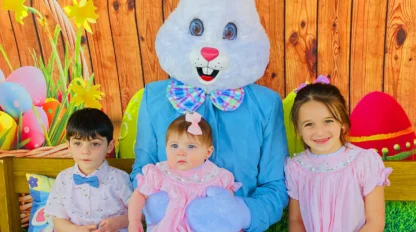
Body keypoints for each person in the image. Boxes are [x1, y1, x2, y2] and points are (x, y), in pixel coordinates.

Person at [285, 83, 392, 232]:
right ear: (298, 130)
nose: (319, 132)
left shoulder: (364, 162)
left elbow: (375, 222)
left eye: (328, 121)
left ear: (342, 122)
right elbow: (296, 220)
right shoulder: (296, 168)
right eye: (309, 124)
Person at [128, 112, 241, 231]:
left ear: (208, 152)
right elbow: (139, 194)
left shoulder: (215, 176)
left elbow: (228, 202)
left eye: (190, 146)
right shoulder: (160, 173)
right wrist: (134, 220)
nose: (180, 152)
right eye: (174, 146)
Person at [45, 108, 132, 232]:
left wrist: (118, 222)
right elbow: (57, 219)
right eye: (78, 143)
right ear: (69, 146)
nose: (85, 151)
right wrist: (74, 229)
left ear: (109, 146)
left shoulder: (120, 178)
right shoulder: (64, 179)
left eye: (95, 144)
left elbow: (141, 212)